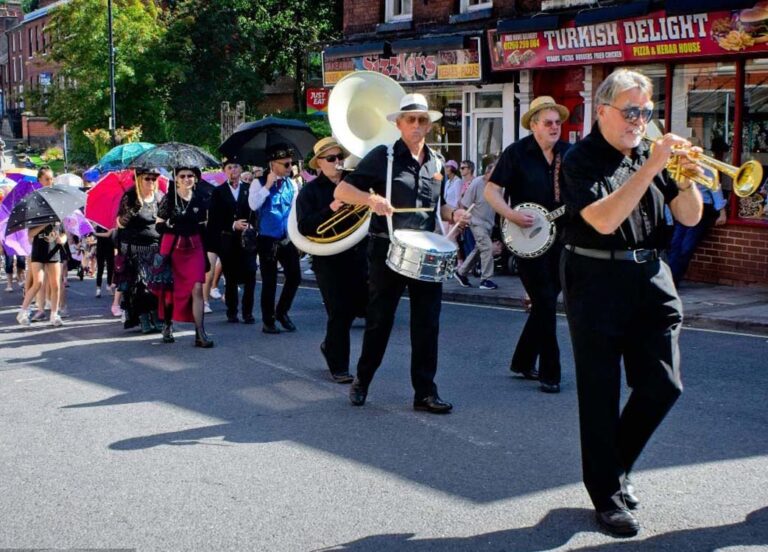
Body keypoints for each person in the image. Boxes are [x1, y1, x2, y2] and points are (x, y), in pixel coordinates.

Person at [560, 69, 703, 537]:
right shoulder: (580, 159)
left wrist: (685, 182)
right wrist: (651, 167)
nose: (640, 121)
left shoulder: (648, 151)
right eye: (630, 112)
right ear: (602, 111)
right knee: (599, 393)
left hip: (651, 274)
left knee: (665, 384)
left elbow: (689, 216)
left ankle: (614, 468)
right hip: (596, 275)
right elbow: (602, 220)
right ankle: (606, 496)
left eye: (645, 112)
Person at [334, 93, 471, 414]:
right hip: (387, 248)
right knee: (379, 321)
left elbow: (439, 207)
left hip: (426, 250)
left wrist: (455, 214)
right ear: (398, 124)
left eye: (423, 120)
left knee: (427, 324)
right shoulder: (383, 157)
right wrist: (371, 201)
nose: (417, 125)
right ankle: (362, 381)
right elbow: (342, 190)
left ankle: (424, 393)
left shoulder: (437, 163)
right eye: (411, 120)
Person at [484, 95, 572, 394]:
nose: (554, 127)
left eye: (558, 123)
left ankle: (522, 360)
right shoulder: (517, 153)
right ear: (533, 125)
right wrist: (510, 214)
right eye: (548, 122)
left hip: (561, 239)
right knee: (545, 302)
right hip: (525, 241)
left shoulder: (568, 154)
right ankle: (551, 372)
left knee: (545, 302)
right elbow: (492, 191)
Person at [296, 137, 367, 383]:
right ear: (319, 164)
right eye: (331, 159)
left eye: (339, 157)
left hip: (358, 255)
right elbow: (304, 226)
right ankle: (340, 366)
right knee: (339, 311)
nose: (337, 162)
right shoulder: (310, 191)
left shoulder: (354, 183)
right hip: (328, 259)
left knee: (356, 310)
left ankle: (330, 346)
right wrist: (332, 208)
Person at [155, 167, 214, 348]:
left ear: (195, 179)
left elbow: (205, 228)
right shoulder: (169, 199)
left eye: (190, 176)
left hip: (194, 246)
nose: (187, 179)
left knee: (197, 288)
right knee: (170, 290)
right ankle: (167, 325)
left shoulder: (202, 198)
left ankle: (200, 333)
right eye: (182, 176)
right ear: (176, 179)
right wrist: (170, 225)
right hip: (172, 246)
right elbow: (158, 226)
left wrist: (205, 254)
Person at [248, 144, 302, 334]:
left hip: (286, 238)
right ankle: (268, 320)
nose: (290, 167)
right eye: (285, 164)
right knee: (269, 281)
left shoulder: (292, 184)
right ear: (273, 164)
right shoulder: (259, 182)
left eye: (291, 164)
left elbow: (295, 211)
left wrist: (297, 237)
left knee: (295, 276)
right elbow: (254, 205)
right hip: (266, 239)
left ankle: (282, 312)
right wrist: (268, 186)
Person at [666, 137, 729, 286]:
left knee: (686, 247)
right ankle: (670, 281)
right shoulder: (675, 166)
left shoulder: (706, 167)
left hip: (703, 209)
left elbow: (715, 190)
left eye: (693, 147)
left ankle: (674, 281)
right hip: (682, 207)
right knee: (675, 244)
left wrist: (722, 212)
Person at [115, 167, 164, 333]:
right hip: (135, 249)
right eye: (147, 178)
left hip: (155, 248)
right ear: (139, 179)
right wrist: (134, 209)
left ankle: (156, 315)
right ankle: (143, 318)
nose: (151, 181)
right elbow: (120, 223)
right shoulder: (130, 196)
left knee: (157, 285)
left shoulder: (159, 197)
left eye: (154, 178)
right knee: (141, 286)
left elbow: (165, 219)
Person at [208, 158, 256, 323]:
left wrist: (251, 224)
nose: (233, 170)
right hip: (228, 240)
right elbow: (213, 219)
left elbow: (256, 212)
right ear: (224, 171)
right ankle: (232, 311)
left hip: (247, 240)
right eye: (229, 167)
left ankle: (248, 312)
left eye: (236, 166)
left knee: (250, 275)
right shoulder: (218, 191)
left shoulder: (249, 189)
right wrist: (232, 224)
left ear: (241, 168)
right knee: (230, 277)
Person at [455, 162, 498, 290]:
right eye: (494, 173)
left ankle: (461, 272)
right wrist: (462, 222)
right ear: (487, 173)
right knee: (487, 247)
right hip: (476, 222)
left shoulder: (497, 185)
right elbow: (464, 204)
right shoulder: (477, 183)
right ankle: (486, 280)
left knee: (479, 249)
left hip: (488, 223)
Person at [16, 221, 66, 327]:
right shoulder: (38, 217)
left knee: (55, 285)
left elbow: (63, 234)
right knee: (38, 282)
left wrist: (62, 240)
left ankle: (54, 314)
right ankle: (23, 312)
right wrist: (44, 224)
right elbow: (30, 234)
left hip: (53, 253)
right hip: (38, 253)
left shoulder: (58, 219)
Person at [93, 224, 115, 297]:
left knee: (110, 268)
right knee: (100, 269)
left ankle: (108, 286)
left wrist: (95, 233)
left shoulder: (112, 223)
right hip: (100, 248)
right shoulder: (97, 224)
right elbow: (91, 230)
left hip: (110, 247)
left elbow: (108, 234)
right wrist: (93, 227)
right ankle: (98, 289)